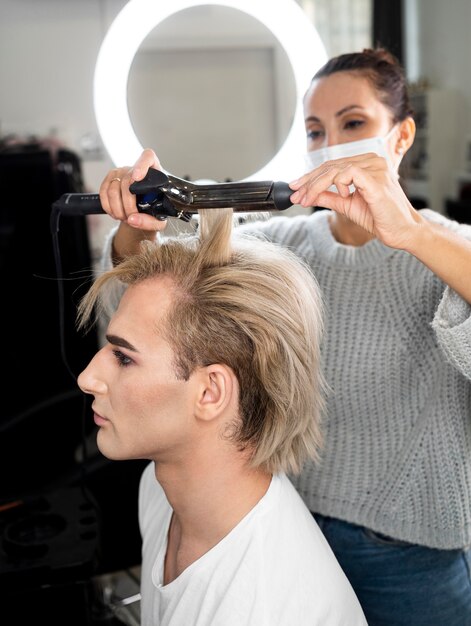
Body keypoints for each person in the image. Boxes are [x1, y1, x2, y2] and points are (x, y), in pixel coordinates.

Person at [97, 48, 471, 625]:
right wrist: (133, 229)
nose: (331, 147)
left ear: (401, 135)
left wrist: (412, 233)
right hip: (290, 522)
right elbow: (142, 325)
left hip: (410, 559)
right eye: (316, 131)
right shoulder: (281, 246)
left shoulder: (446, 251)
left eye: (354, 123)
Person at [77, 208, 368, 625]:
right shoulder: (161, 493)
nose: (88, 378)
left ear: (210, 392)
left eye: (123, 357)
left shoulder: (259, 608)